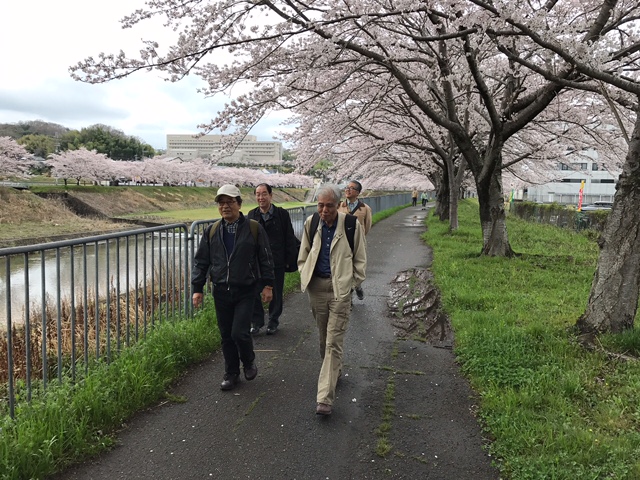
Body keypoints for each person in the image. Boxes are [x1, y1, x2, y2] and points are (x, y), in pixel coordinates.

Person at [191, 184, 275, 391]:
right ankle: (231, 373)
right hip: (221, 290)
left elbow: (265, 258)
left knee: (239, 332)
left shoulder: (254, 228)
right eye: (221, 203)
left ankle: (248, 361)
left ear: (239, 204)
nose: (225, 206)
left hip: (246, 289)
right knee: (226, 335)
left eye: (230, 202)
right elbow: (201, 261)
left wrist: (268, 285)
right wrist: (197, 288)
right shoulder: (212, 231)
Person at [298, 184, 367, 416]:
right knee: (323, 337)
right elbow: (303, 255)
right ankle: (334, 370)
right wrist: (305, 274)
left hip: (340, 290)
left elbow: (360, 259)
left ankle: (324, 398)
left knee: (333, 341)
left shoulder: (351, 225)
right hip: (317, 287)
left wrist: (351, 284)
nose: (324, 210)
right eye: (320, 205)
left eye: (329, 206)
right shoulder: (312, 223)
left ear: (338, 205)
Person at [247, 183, 300, 335]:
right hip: (257, 262)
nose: (261, 197)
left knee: (276, 291)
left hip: (277, 259)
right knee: (254, 291)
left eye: (264, 194)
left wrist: (289, 259)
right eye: (258, 194)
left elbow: (289, 237)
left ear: (270, 195)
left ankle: (273, 321)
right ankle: (256, 322)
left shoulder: (281, 214)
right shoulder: (252, 215)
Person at [338, 180, 372, 300]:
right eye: (347, 187)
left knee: (358, 266)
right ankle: (348, 296)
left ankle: (357, 285)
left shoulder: (365, 208)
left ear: (357, 192)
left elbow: (367, 226)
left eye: (351, 188)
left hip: (358, 243)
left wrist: (360, 237)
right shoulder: (339, 207)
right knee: (344, 268)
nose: (347, 190)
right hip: (342, 243)